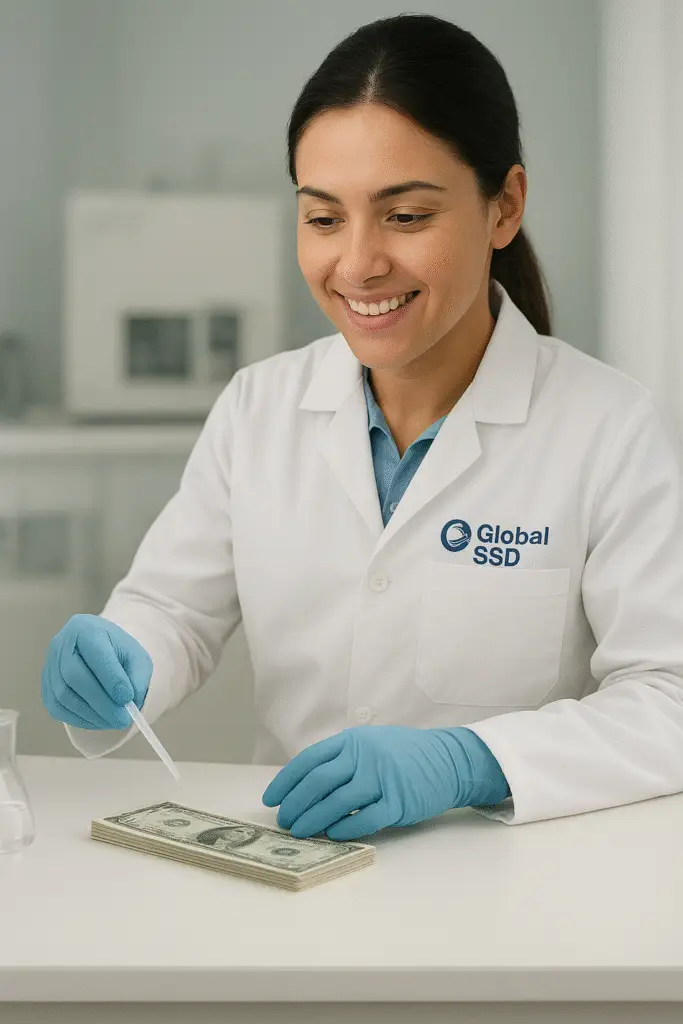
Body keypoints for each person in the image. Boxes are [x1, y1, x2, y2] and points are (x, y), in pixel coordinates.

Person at [42, 13, 683, 840]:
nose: (357, 263)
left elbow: (668, 701)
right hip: (291, 874)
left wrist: (468, 762)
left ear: (503, 207)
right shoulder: (258, 408)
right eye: (322, 218)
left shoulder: (608, 427)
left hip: (516, 899)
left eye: (406, 216)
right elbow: (173, 612)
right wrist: (123, 656)